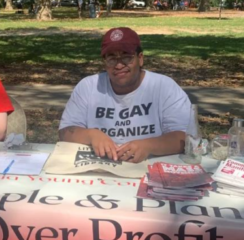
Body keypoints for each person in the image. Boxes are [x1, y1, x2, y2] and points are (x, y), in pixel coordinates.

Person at [58, 27, 191, 164]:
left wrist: (149, 146)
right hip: (100, 168)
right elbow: (65, 132)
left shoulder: (164, 87)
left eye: (126, 57)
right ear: (104, 62)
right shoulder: (88, 87)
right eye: (111, 58)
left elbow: (184, 138)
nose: (119, 65)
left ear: (140, 59)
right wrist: (91, 135)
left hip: (149, 166)